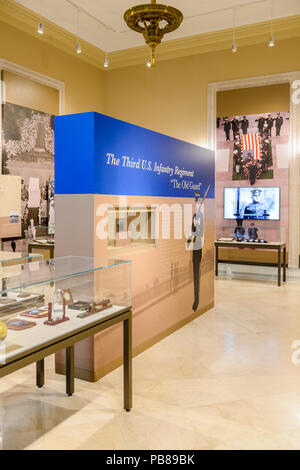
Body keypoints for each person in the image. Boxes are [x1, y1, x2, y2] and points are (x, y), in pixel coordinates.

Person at [187, 187, 209, 312]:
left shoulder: (199, 216)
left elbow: (195, 231)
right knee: (195, 270)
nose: (197, 203)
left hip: (198, 247)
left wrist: (191, 239)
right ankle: (196, 300)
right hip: (196, 246)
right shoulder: (196, 216)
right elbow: (192, 230)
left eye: (198, 199)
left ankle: (197, 300)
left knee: (196, 270)